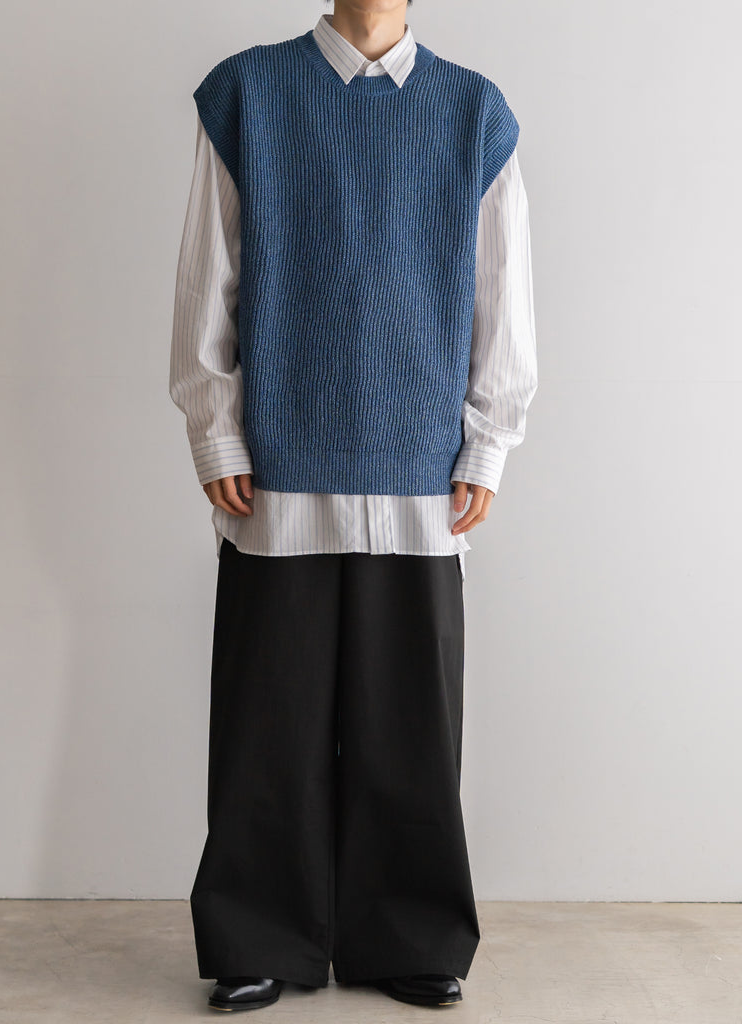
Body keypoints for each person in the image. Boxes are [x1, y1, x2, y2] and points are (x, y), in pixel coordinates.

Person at [169, 0, 537, 1011]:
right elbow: (208, 274)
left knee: (412, 725)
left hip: (423, 476)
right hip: (278, 467)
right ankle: (259, 935)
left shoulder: (474, 113)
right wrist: (215, 427)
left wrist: (489, 440)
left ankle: (410, 934)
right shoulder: (249, 94)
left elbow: (502, 293)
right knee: (268, 723)